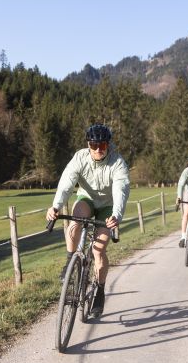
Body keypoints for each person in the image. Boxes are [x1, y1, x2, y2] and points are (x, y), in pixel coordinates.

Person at [46, 123, 130, 318]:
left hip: (108, 206)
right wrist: (56, 206)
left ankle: (99, 290)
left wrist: (116, 215)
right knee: (75, 223)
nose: (98, 149)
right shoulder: (80, 157)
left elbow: (121, 191)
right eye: (94, 145)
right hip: (87, 200)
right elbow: (67, 182)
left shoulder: (117, 163)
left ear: (109, 145)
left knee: (98, 249)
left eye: (102, 145)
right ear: (88, 145)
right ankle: (70, 261)